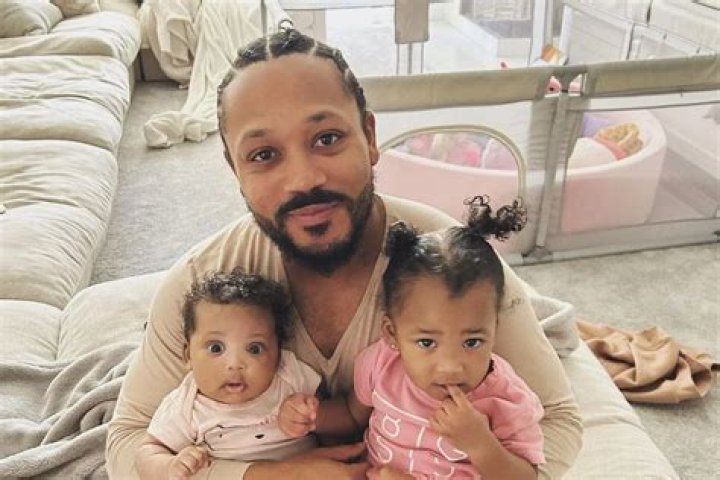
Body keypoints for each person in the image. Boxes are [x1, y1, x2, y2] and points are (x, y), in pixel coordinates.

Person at [106, 26, 582, 480]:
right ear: (235, 170)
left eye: (327, 139)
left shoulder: (455, 265)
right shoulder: (200, 283)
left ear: (370, 138)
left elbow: (559, 421)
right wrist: (270, 475)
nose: (304, 179)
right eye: (264, 155)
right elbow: (127, 444)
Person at [280, 196, 545, 479]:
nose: (450, 366)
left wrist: (480, 444)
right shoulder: (382, 365)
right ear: (391, 333)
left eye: (472, 342)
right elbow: (352, 414)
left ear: (495, 328)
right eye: (427, 343)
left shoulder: (505, 399)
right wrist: (313, 417)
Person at [135, 270, 322, 479]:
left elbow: (341, 415)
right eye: (216, 348)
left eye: (254, 349)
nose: (234, 365)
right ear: (188, 355)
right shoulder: (186, 406)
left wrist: (311, 413)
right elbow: (148, 451)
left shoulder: (289, 376)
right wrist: (170, 465)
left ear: (278, 354)